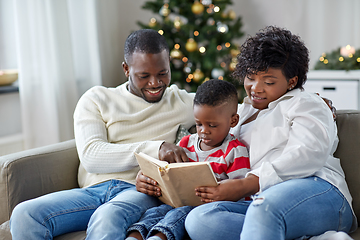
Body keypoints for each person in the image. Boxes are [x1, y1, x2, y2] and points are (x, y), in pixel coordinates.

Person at [9, 29, 196, 240]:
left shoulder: (181, 102)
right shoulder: (96, 99)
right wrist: (157, 148)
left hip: (138, 191)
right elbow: (91, 156)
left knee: (107, 216)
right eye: (144, 76)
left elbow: (232, 110)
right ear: (126, 69)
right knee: (24, 214)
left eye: (163, 73)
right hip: (92, 191)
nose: (155, 83)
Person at [182, 26, 357, 240]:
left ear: (292, 81)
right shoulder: (238, 114)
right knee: (199, 219)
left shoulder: (306, 103)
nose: (256, 88)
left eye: (269, 81)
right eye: (250, 77)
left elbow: (309, 154)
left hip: (320, 191)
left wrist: (246, 184)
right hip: (261, 203)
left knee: (265, 208)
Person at [126, 79, 250, 240]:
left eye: (212, 125)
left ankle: (159, 237)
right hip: (175, 202)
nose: (204, 131)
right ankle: (135, 236)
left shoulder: (234, 150)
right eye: (199, 124)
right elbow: (168, 171)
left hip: (204, 207)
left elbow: (240, 193)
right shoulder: (186, 143)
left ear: (233, 121)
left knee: (179, 214)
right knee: (154, 212)